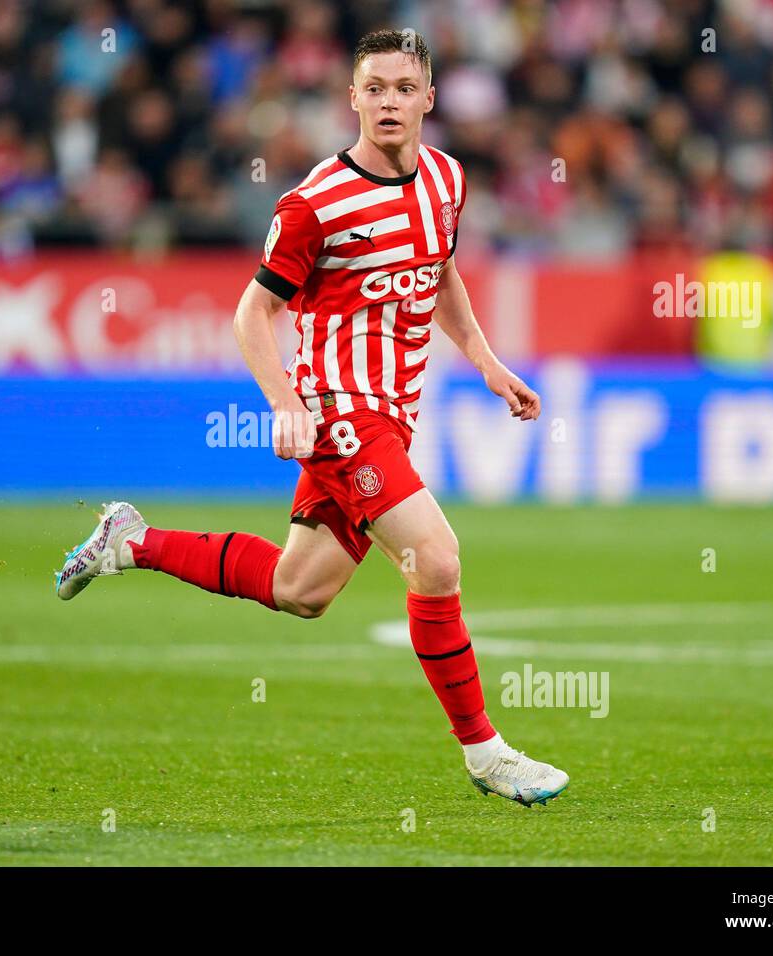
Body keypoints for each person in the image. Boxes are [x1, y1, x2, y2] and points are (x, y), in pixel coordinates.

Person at [56, 31, 568, 806]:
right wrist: (288, 406)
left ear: (429, 97)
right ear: (353, 98)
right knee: (436, 558)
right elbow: (251, 314)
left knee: (302, 589)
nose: (389, 101)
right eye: (375, 88)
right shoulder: (316, 202)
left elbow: (441, 274)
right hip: (340, 412)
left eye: (404, 87)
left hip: (395, 415)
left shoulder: (447, 180)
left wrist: (488, 362)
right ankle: (485, 752)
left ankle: (132, 541)